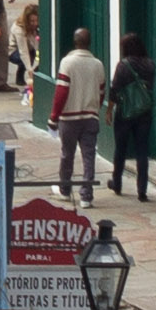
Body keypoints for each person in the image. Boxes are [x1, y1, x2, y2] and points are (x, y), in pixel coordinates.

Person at [106, 34, 156, 203]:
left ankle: (117, 182)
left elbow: (114, 89)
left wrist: (109, 110)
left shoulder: (123, 66)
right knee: (142, 150)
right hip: (144, 113)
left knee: (120, 149)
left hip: (125, 112)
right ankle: (142, 190)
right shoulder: (150, 65)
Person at [50, 27, 105, 193]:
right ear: (89, 43)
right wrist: (94, 108)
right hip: (90, 117)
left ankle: (65, 189)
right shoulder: (98, 65)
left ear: (75, 42)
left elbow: (61, 92)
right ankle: (86, 195)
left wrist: (53, 117)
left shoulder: (67, 62)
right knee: (89, 157)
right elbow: (101, 92)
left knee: (67, 155)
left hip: (69, 118)